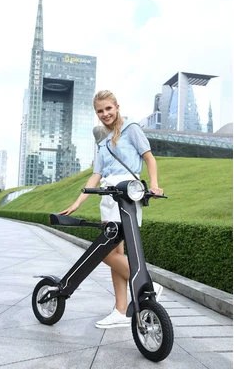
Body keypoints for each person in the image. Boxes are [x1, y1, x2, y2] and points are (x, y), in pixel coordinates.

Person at [58, 89, 164, 329]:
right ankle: (120, 310)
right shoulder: (102, 143)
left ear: (117, 107)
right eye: (100, 111)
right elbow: (96, 175)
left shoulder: (132, 129)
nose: (105, 114)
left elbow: (149, 158)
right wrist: (77, 202)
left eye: (108, 108)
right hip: (107, 196)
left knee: (103, 251)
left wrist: (154, 185)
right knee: (114, 251)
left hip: (126, 193)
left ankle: (148, 286)